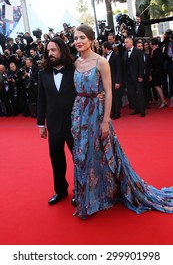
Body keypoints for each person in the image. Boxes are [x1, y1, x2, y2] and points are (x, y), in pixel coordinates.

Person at [71, 24, 173, 219]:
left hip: (98, 113)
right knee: (83, 154)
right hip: (80, 114)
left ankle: (107, 193)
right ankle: (90, 196)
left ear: (91, 39)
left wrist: (105, 120)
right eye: (76, 38)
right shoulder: (75, 63)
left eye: (82, 37)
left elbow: (109, 91)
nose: (79, 41)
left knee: (101, 152)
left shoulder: (101, 62)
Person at [37, 37, 77, 205]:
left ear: (62, 50)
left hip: (74, 124)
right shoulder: (43, 73)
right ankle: (60, 190)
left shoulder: (75, 70)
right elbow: (41, 100)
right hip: (53, 125)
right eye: (48, 51)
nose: (50, 53)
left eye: (53, 50)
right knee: (56, 159)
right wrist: (41, 124)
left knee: (78, 159)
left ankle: (80, 191)